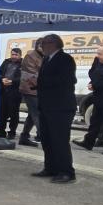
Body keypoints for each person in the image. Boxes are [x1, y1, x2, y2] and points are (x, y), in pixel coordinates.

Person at [30, 34, 77, 184]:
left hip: (61, 107)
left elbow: (65, 80)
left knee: (60, 140)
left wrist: (42, 82)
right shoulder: (47, 59)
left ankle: (66, 171)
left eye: (44, 43)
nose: (42, 46)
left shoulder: (65, 59)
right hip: (47, 106)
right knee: (47, 139)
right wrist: (36, 84)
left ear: (53, 44)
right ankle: (50, 167)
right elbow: (46, 80)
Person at [17, 39, 44, 147]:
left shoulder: (42, 56)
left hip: (37, 89)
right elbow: (30, 75)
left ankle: (24, 136)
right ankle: (45, 136)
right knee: (37, 113)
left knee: (32, 114)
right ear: (37, 46)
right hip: (30, 89)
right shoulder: (31, 56)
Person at [0, 48, 23, 139]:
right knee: (1, 113)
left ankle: (12, 133)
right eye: (12, 54)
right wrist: (2, 79)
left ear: (20, 55)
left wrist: (12, 81)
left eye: (16, 55)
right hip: (3, 91)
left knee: (13, 114)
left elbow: (23, 78)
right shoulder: (6, 62)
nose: (14, 56)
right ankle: (0, 132)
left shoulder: (23, 64)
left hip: (15, 92)